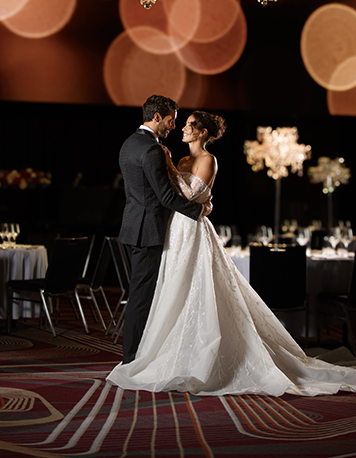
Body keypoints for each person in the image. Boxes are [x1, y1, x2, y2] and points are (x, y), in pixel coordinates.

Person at [107, 111, 356, 396]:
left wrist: (171, 170)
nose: (182, 129)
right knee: (171, 287)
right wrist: (173, 169)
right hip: (174, 228)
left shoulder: (207, 160)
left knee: (195, 288)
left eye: (189, 125)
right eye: (184, 124)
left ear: (202, 133)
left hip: (192, 230)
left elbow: (188, 194)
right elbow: (170, 195)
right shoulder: (182, 159)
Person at [118, 95, 211, 365]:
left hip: (134, 226)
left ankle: (139, 351)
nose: (173, 126)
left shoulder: (129, 144)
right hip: (149, 230)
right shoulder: (152, 149)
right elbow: (165, 198)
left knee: (144, 292)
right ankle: (132, 357)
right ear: (157, 117)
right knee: (142, 296)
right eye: (171, 121)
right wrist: (199, 211)